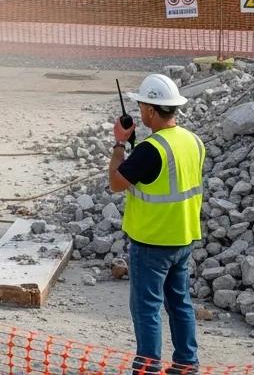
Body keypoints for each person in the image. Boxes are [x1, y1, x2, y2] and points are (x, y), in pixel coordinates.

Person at [109, 73, 205, 374]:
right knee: (180, 304)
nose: (139, 112)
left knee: (146, 309)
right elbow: (163, 178)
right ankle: (186, 365)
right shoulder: (192, 140)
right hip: (183, 237)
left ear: (151, 110)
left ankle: (148, 368)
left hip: (152, 242)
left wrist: (119, 144)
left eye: (142, 107)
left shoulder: (152, 150)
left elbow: (116, 182)